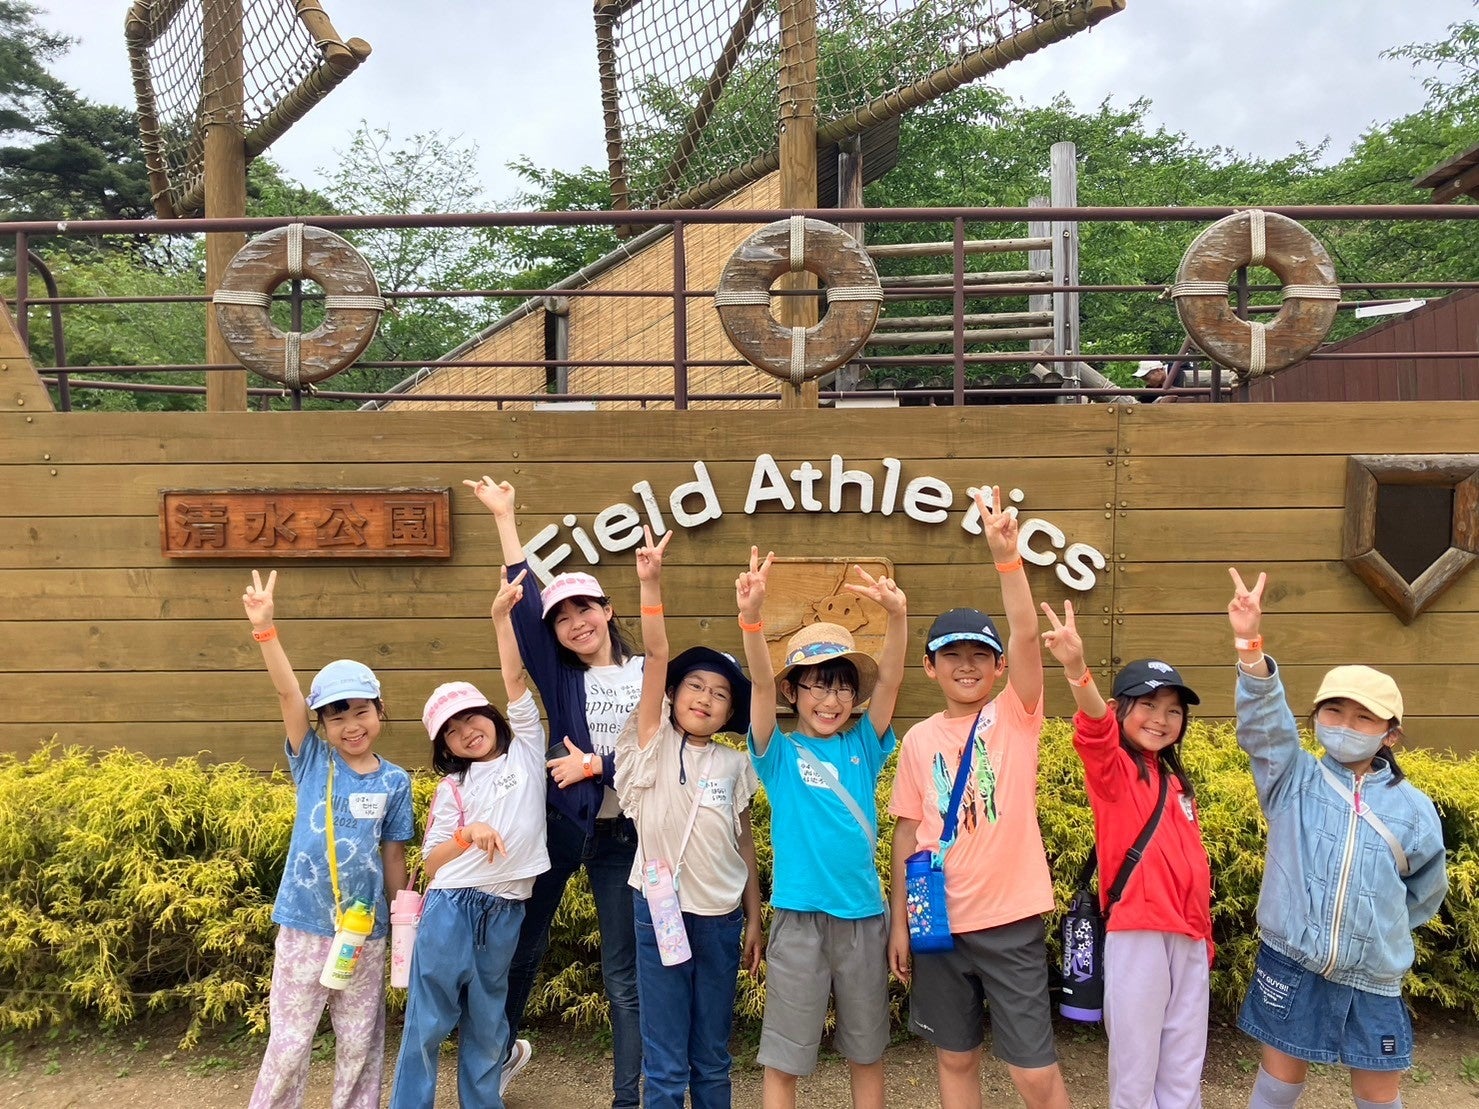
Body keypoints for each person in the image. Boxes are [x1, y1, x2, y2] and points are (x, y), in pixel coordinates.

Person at [1227, 568, 1448, 1109]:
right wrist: (1250, 646)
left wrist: (1376, 927)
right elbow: (1264, 724)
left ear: (1389, 732)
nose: (1345, 723)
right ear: (1316, 718)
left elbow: (1424, 892)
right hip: (1291, 957)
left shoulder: (1415, 810)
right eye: (1334, 711)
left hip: (1374, 973)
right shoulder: (1292, 778)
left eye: (1362, 717)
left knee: (1378, 1089)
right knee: (1279, 1077)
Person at [886, 487, 1072, 1109]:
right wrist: (901, 922)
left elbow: (1024, 634)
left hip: (1010, 920)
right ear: (930, 667)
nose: (967, 666)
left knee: (1032, 1069)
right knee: (955, 1056)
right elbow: (908, 833)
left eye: (979, 656)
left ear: (996, 669)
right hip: (936, 919)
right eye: (952, 656)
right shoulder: (917, 740)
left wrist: (1007, 559)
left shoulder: (1015, 716)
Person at [467, 475, 644, 1107]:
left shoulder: (651, 673)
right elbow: (522, 602)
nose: (574, 623)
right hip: (562, 825)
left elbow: (664, 754)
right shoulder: (558, 674)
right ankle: (495, 1059)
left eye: (585, 609)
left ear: (608, 611)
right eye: (562, 617)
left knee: (623, 977)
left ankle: (631, 1097)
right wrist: (506, 520)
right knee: (522, 946)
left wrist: (599, 765)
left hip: (628, 836)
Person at [736, 546, 908, 1109]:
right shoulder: (778, 756)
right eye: (816, 685)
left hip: (863, 918)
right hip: (798, 920)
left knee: (867, 1052)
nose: (831, 699)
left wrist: (898, 619)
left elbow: (891, 684)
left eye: (841, 686)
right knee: (784, 1058)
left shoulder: (864, 743)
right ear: (794, 692)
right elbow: (758, 686)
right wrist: (752, 620)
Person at [241, 570, 413, 1109]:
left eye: (361, 711)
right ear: (321, 725)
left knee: (360, 1045)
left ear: (379, 712)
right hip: (304, 924)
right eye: (337, 716)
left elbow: (393, 853)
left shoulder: (396, 780)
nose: (351, 725)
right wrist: (266, 630)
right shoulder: (312, 760)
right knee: (289, 1045)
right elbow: (288, 692)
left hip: (367, 932)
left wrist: (403, 921)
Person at [388, 567, 552, 1108]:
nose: (467, 731)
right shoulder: (452, 787)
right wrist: (466, 834)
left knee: (487, 1022)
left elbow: (515, 681)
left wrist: (500, 619)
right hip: (451, 906)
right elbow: (433, 863)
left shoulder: (528, 747)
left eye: (472, 717)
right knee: (429, 1021)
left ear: (491, 716)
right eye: (453, 731)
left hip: (506, 908)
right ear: (447, 747)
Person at [1041, 601, 1213, 1109]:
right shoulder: (1113, 770)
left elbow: (1193, 868)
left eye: (1173, 710)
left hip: (1188, 939)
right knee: (1137, 1073)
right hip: (1137, 933)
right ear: (1121, 710)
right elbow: (1093, 727)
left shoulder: (1177, 783)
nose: (1161, 719)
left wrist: (1204, 939)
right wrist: (1076, 667)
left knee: (1185, 1068)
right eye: (1148, 705)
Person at [614, 527, 764, 1108]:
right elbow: (655, 656)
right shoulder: (648, 743)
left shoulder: (733, 765)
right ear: (674, 696)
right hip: (658, 910)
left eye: (720, 693)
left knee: (711, 1053)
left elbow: (745, 845)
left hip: (721, 917)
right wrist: (650, 583)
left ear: (731, 711)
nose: (704, 697)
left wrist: (754, 918)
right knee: (665, 1055)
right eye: (694, 685)